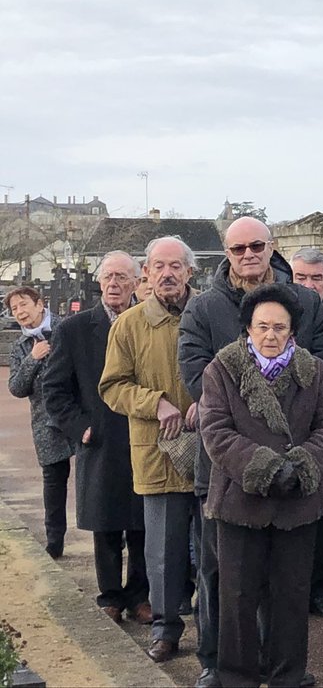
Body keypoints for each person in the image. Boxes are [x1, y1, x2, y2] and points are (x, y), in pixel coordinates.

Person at [179, 218, 323, 686]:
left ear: (293, 331)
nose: (271, 334)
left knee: (290, 593)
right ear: (248, 328)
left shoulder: (312, 361)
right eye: (262, 326)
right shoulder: (219, 359)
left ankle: (289, 672)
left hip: (298, 494)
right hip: (238, 490)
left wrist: (302, 464)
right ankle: (233, 673)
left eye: (280, 328)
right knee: (234, 592)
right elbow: (214, 423)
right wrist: (264, 465)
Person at [99, 236, 202, 665]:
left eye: (175, 266)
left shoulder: (212, 312)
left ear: (190, 272)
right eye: (158, 266)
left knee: (214, 550)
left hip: (212, 450)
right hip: (157, 453)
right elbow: (111, 387)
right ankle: (165, 630)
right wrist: (154, 402)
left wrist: (210, 397)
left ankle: (216, 633)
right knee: (161, 552)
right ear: (146, 273)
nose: (167, 274)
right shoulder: (129, 324)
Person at [43, 252, 151, 624]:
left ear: (137, 282)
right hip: (100, 439)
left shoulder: (148, 323)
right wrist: (80, 427)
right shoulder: (74, 329)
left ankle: (140, 596)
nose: (115, 284)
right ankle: (109, 595)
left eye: (123, 277)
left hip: (142, 433)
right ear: (99, 282)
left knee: (142, 523)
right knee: (106, 523)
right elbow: (54, 389)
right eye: (109, 277)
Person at [290, 248, 323, 620]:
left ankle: (319, 589)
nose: (309, 286)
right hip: (283, 430)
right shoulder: (276, 315)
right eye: (301, 278)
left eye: (316, 278)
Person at [7, 286, 72, 559]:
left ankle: (116, 537)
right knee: (54, 485)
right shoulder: (21, 347)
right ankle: (54, 542)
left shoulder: (67, 328)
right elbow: (17, 388)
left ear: (39, 304)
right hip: (46, 424)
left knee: (97, 479)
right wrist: (32, 360)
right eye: (14, 309)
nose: (20, 312)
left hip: (78, 415)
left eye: (24, 305)